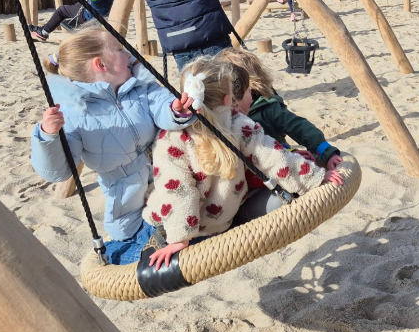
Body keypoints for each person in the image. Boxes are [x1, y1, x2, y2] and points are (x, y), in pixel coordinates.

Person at [143, 57, 341, 269]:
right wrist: (315, 177)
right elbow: (273, 157)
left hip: (177, 222)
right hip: (219, 221)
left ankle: (169, 233)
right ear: (228, 99)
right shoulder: (238, 123)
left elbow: (177, 189)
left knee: (161, 192)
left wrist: (180, 239)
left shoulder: (170, 137)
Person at [30, 24, 196, 264]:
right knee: (146, 247)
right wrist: (48, 135)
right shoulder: (74, 114)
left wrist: (175, 111)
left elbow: (161, 105)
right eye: (119, 49)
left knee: (193, 214)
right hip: (131, 209)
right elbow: (60, 171)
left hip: (169, 182)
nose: (128, 54)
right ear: (101, 64)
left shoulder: (141, 87)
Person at [217, 48, 342, 167]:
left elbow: (301, 128)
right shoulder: (222, 113)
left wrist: (326, 151)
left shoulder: (267, 108)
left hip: (281, 165)